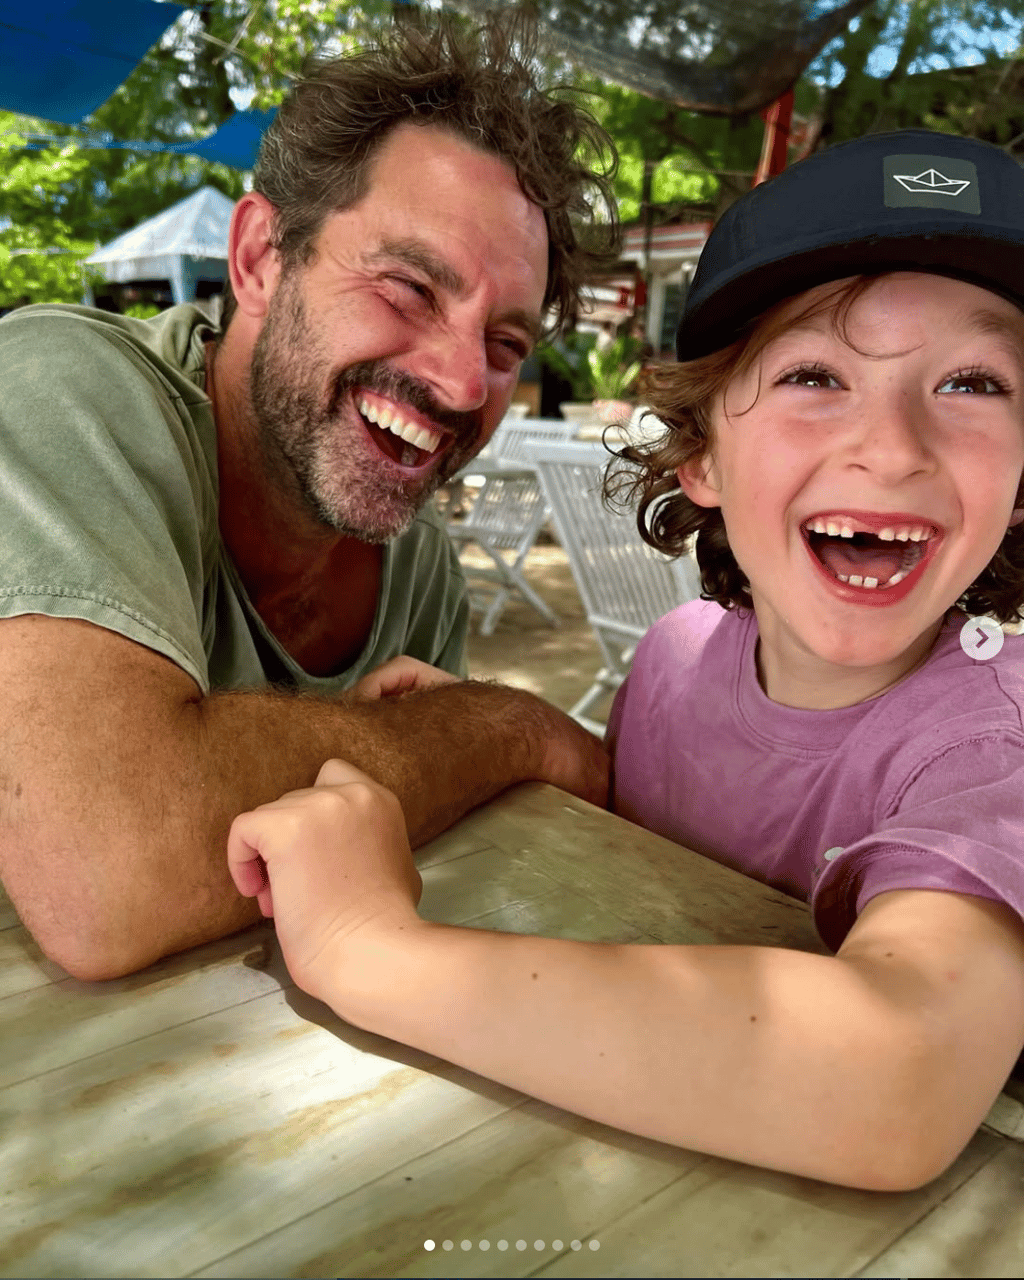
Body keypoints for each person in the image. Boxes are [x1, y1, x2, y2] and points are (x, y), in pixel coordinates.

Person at [224, 129, 1024, 1192]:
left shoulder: (993, 747)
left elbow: (898, 1071)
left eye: (972, 381)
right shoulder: (675, 656)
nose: (892, 447)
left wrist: (372, 946)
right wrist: (531, 734)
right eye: (814, 373)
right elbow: (669, 825)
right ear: (699, 454)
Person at [0, 11, 615, 982]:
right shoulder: (58, 387)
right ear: (257, 259)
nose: (463, 386)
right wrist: (512, 727)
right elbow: (111, 879)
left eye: (504, 343)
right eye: (409, 286)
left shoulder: (412, 563)